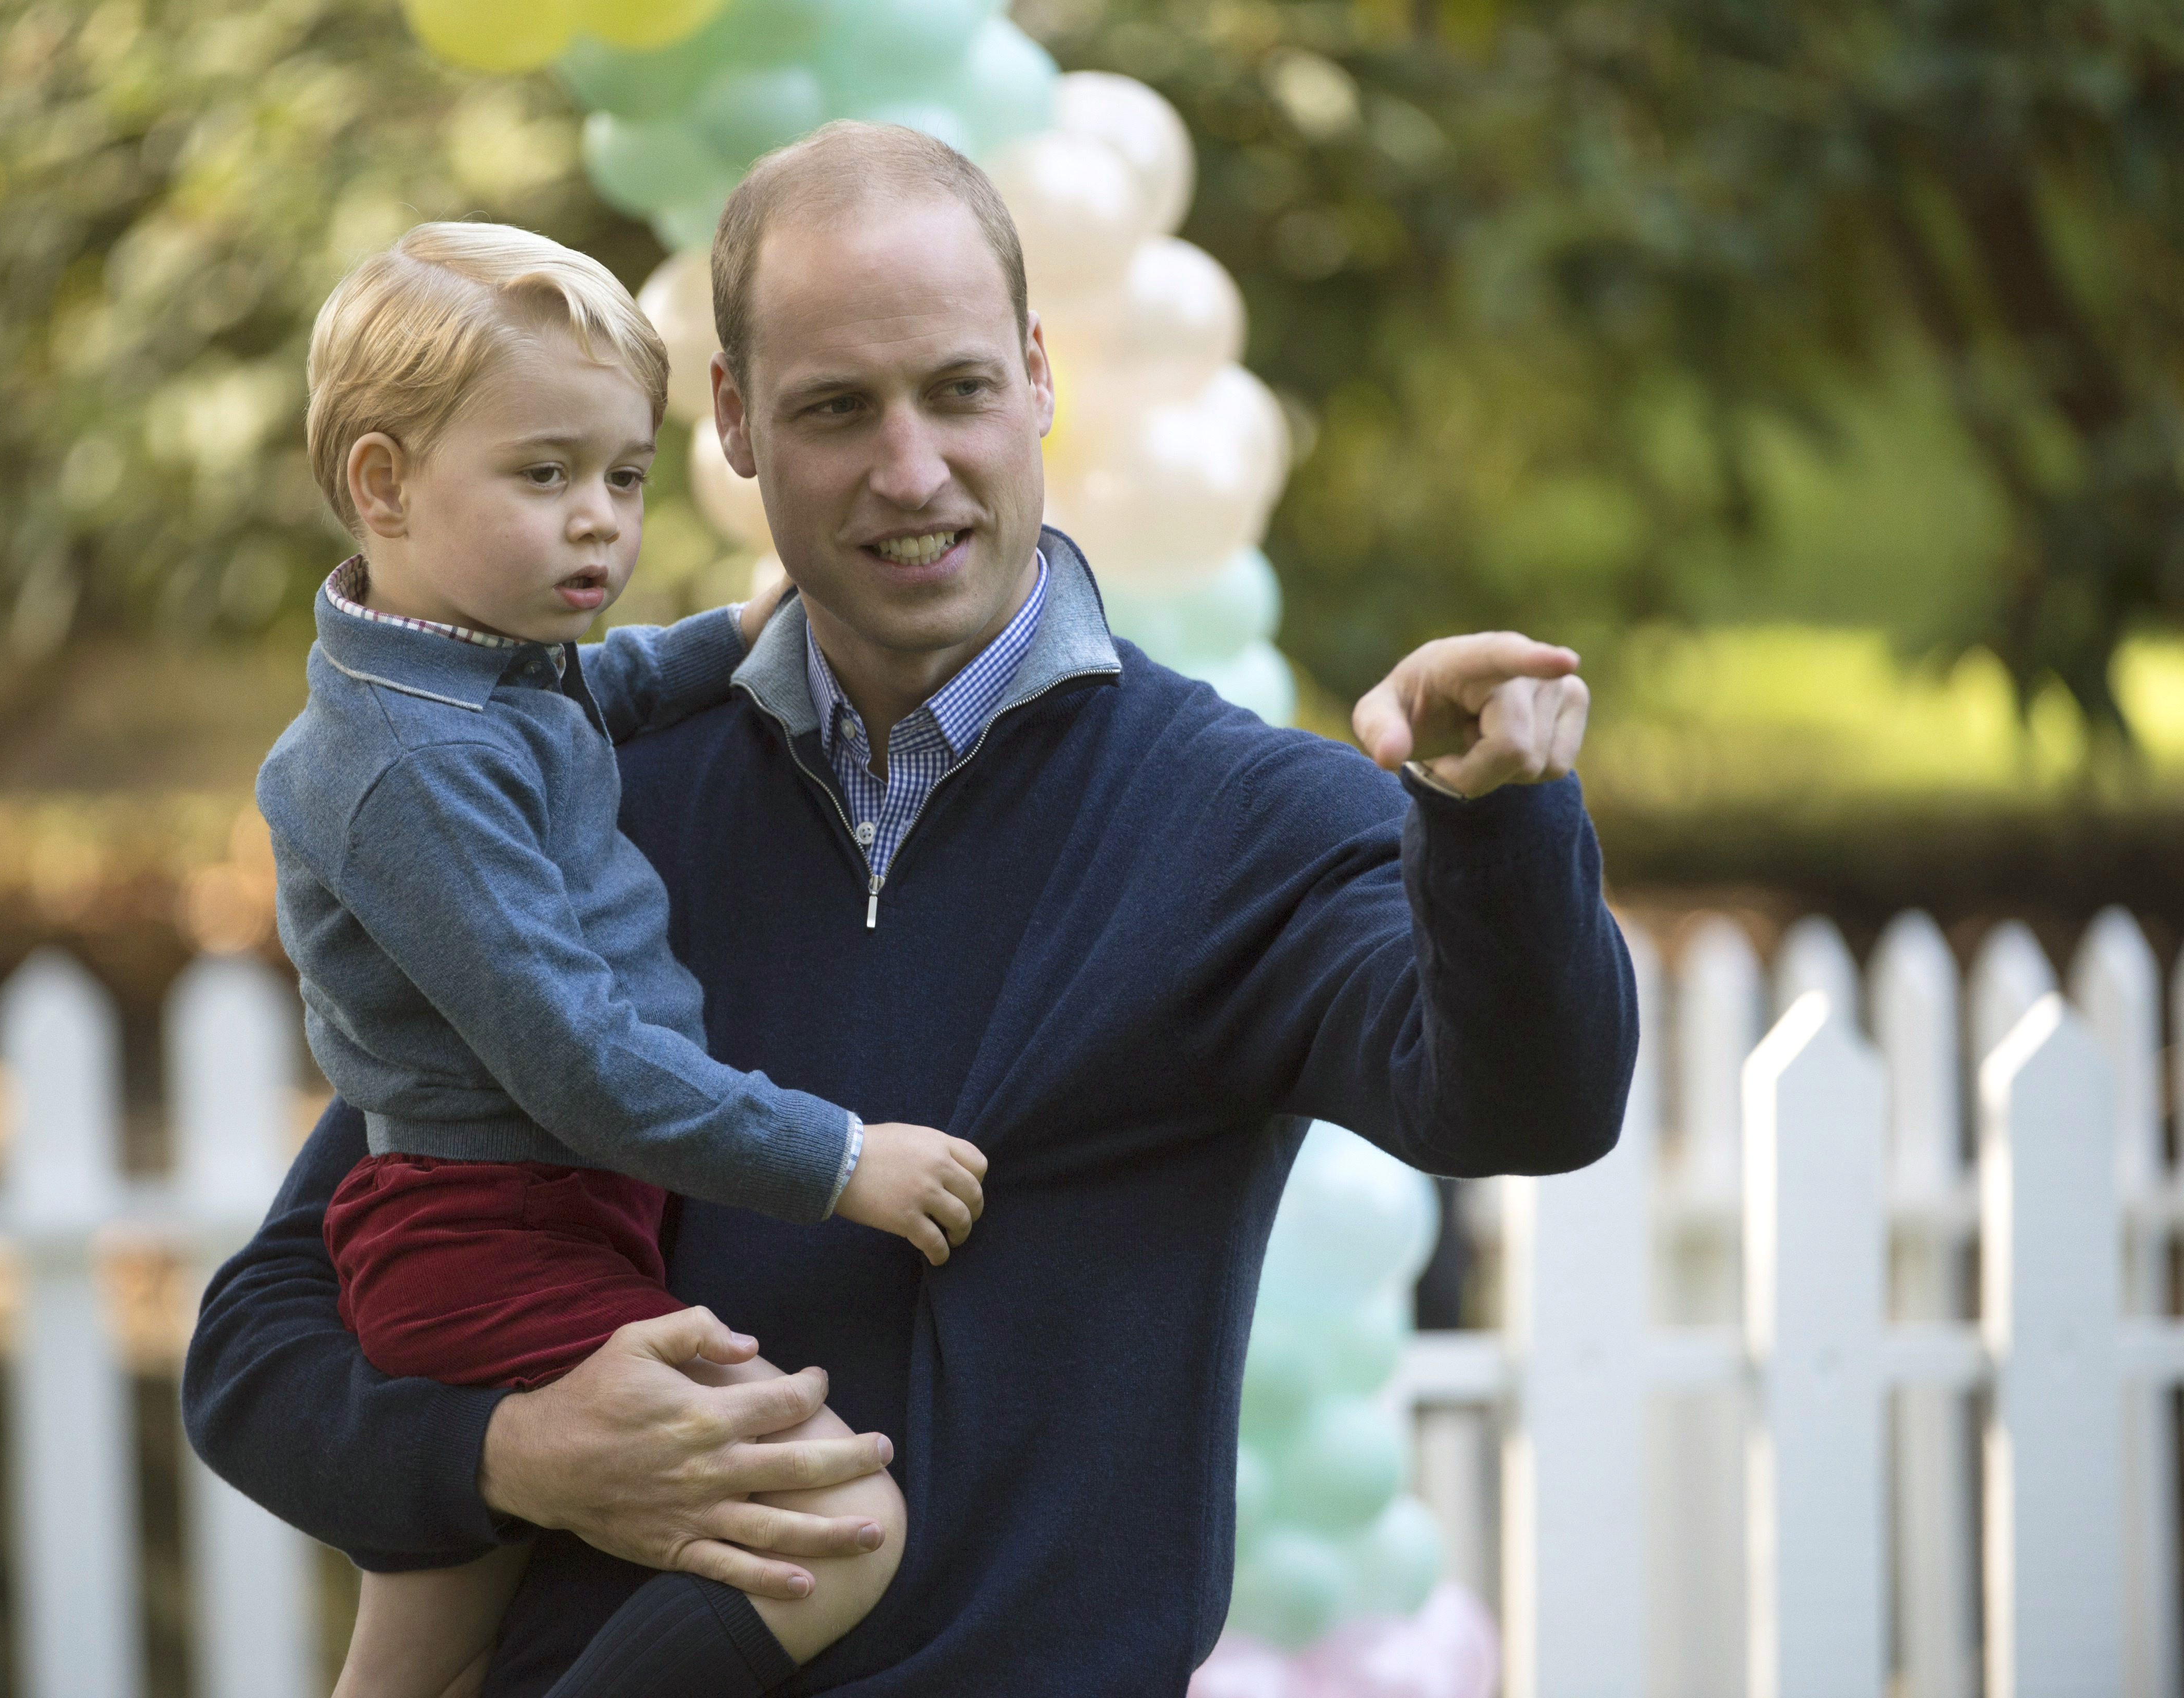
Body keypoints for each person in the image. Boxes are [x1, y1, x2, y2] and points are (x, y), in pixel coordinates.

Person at [188, 124, 1637, 1696]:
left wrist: (1495, 828)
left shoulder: (1238, 822)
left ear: (1036, 377)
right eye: (833, 409)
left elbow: (1531, 1103)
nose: (910, 468)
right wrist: (513, 1454)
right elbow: (269, 1340)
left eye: (955, 390)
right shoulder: (582, 783)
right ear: (733, 423)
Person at [257, 220, 992, 1697]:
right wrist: (840, 1159)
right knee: (838, 1521)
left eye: (624, 476)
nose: (600, 520)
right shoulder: (407, 771)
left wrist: (730, 635)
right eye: (545, 476)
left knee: (417, 1659)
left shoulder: (469, 667)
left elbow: (592, 692)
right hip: (493, 1234)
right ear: (382, 484)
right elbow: (578, 1061)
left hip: (522, 1219)